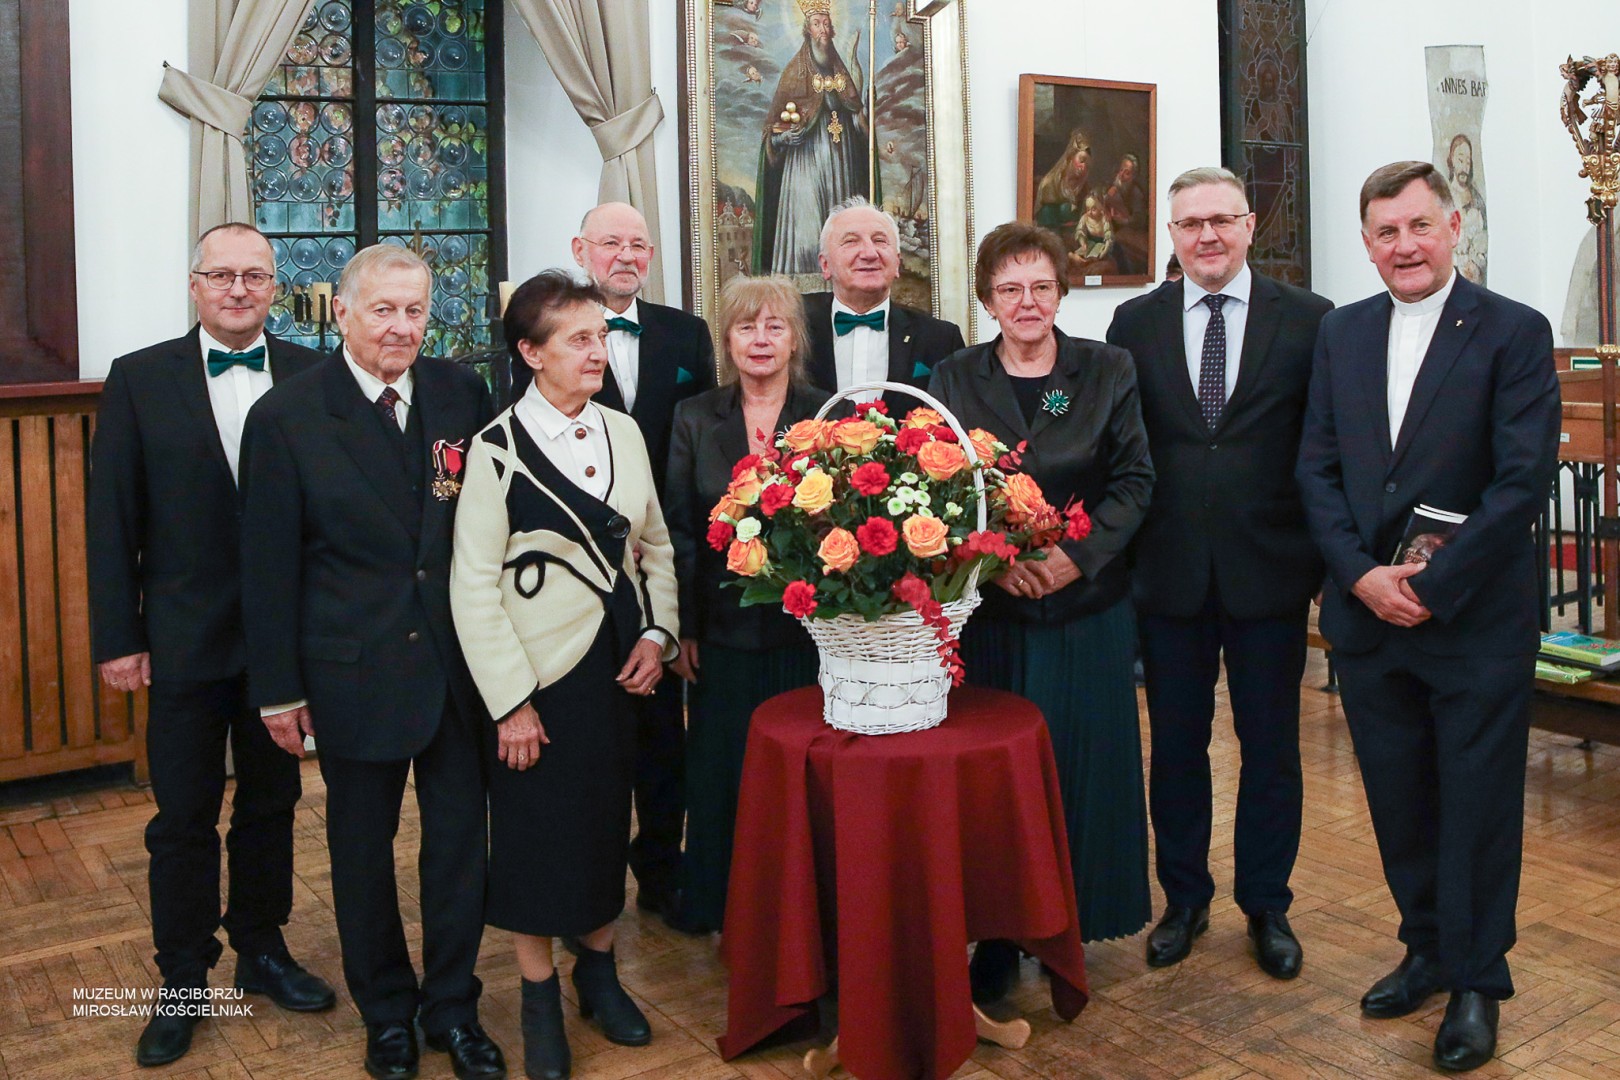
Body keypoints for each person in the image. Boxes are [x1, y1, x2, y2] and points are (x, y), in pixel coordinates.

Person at [1296, 161, 1560, 1073]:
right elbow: (1316, 469)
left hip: (1474, 622)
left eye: (1418, 226)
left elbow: (1521, 481)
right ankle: (1426, 948)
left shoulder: (1514, 332)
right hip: (1369, 618)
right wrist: (1364, 577)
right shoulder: (1342, 331)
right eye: (1384, 232)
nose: (1403, 246)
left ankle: (1479, 982)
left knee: (1479, 804)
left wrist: (1430, 587)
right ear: (1366, 243)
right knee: (1398, 797)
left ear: (1453, 228)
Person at [239, 244, 504, 1080]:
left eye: (415, 311)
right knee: (360, 853)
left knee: (460, 848)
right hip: (350, 670)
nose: (401, 327)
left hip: (459, 671)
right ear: (342, 313)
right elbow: (268, 566)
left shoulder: (465, 393)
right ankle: (386, 1012)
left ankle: (453, 1009)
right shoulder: (286, 416)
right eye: (383, 310)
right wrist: (278, 691)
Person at [86, 223, 335, 1067]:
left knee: (271, 807)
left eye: (254, 276)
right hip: (183, 641)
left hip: (284, 646)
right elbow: (110, 520)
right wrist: (119, 636)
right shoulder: (140, 378)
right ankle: (183, 977)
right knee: (183, 818)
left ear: (276, 287)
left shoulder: (312, 373)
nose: (238, 289)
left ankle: (262, 950)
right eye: (221, 275)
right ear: (195, 285)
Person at [450, 270, 680, 1080]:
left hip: (619, 668)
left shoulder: (623, 431)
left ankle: (600, 975)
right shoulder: (494, 450)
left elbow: (654, 545)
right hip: (535, 682)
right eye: (579, 339)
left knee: (600, 823)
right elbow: (471, 586)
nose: (598, 350)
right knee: (532, 838)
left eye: (602, 336)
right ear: (530, 353)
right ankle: (539, 998)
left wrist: (659, 632)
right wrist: (511, 703)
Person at [1107, 166, 1333, 981]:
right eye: (1189, 223)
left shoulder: (1310, 321)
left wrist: (1319, 563)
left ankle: (1267, 904)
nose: (1206, 235)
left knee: (1271, 748)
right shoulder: (1132, 324)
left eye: (1221, 220)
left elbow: (1326, 447)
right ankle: (1185, 899)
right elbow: (1102, 432)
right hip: (1166, 577)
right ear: (1170, 236)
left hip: (1272, 574)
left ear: (1248, 227)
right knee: (1176, 747)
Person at [928, 221, 1155, 1002]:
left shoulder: (1103, 370)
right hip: (992, 619)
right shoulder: (956, 376)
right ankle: (995, 935)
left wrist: (1072, 559)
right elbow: (940, 486)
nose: (1027, 302)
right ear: (988, 299)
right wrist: (999, 563)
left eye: (1042, 286)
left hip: (1086, 610)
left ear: (1061, 291)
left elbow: (1133, 482)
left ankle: (1073, 933)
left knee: (1079, 772)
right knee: (993, 787)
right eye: (1009, 288)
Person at [665, 276, 830, 933]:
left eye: (775, 327)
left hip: (809, 635)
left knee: (804, 774)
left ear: (795, 340)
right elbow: (678, 529)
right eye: (745, 327)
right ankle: (719, 904)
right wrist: (684, 627)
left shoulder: (829, 416)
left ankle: (804, 909)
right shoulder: (694, 417)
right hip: (722, 634)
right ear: (725, 341)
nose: (760, 340)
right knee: (720, 773)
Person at [571, 200, 717, 930]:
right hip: (577, 570)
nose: (625, 256)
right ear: (581, 250)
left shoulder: (686, 334)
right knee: (593, 734)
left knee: (665, 735)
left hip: (663, 562)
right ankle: (586, 881)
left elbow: (707, 447)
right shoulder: (546, 328)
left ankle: (661, 871)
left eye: (638, 245)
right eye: (610, 243)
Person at [803, 197, 965, 403]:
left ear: (897, 263)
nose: (869, 253)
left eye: (880, 240)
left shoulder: (940, 339)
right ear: (825, 265)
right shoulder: (794, 329)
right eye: (851, 241)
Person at [754, 0, 871, 275]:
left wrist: (863, 115)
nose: (823, 29)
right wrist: (784, 138)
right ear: (807, 29)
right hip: (803, 164)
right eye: (817, 23)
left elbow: (855, 114)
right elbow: (773, 130)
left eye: (827, 24)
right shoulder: (795, 72)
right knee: (807, 229)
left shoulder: (841, 71)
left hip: (840, 163)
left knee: (842, 228)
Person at [1033, 127, 1093, 243]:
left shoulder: (1084, 188)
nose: (1083, 167)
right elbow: (1047, 224)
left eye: (1087, 165)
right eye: (1081, 160)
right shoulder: (1050, 184)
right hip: (1056, 240)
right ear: (1070, 158)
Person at [1445, 133, 1488, 284]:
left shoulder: (1477, 199)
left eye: (1468, 162)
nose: (1464, 167)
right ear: (1451, 161)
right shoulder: (1445, 197)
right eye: (1460, 160)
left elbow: (1482, 240)